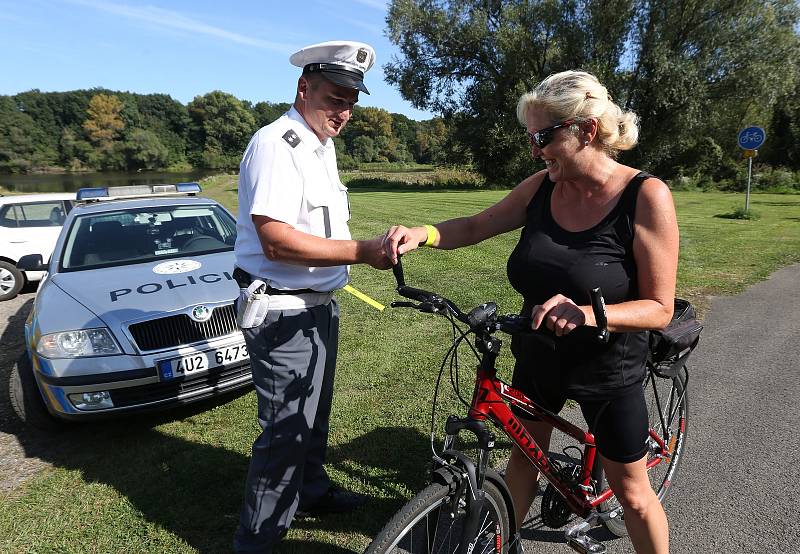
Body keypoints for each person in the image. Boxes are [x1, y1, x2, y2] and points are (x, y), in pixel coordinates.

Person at [384, 70, 679, 554]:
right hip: (539, 354)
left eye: (544, 136)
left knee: (632, 493)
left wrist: (587, 313)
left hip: (607, 368)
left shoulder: (644, 196)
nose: (535, 149)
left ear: (585, 130)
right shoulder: (543, 186)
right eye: (531, 137)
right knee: (522, 465)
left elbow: (659, 308)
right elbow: (480, 224)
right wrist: (425, 234)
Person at [232, 40, 391, 553]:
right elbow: (275, 240)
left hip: (317, 306)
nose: (343, 111)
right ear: (304, 88)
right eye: (334, 98)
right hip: (282, 310)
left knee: (313, 414)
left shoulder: (320, 145)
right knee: (284, 434)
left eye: (351, 101)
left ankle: (313, 490)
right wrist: (362, 250)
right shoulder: (277, 144)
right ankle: (257, 541)